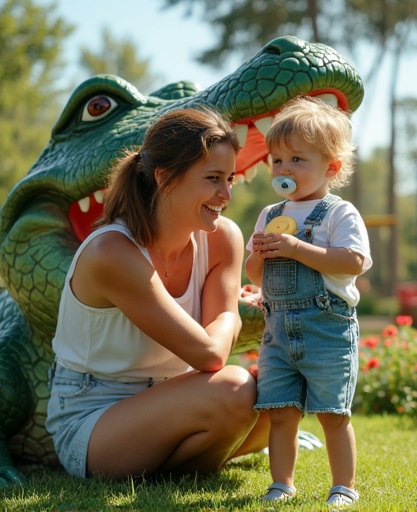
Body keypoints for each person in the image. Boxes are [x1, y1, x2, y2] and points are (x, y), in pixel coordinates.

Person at [46, 107, 269, 480]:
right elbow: (210, 354)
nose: (226, 193)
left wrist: (226, 314)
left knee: (278, 385)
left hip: (176, 397)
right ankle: (199, 455)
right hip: (94, 416)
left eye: (229, 179)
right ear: (166, 178)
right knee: (235, 388)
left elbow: (216, 334)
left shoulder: (222, 239)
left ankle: (192, 453)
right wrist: (229, 311)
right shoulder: (112, 253)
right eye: (213, 178)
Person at [245, 96, 372, 507]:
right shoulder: (270, 213)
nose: (284, 169)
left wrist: (297, 248)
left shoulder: (339, 213)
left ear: (330, 167)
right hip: (279, 332)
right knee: (281, 413)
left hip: (326, 330)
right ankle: (282, 483)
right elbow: (254, 275)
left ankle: (344, 487)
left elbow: (353, 261)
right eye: (277, 160)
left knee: (334, 414)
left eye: (297, 160)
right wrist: (259, 254)